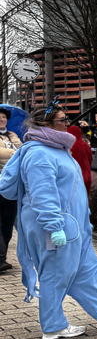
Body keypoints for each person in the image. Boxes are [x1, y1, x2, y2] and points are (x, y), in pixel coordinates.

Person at [0, 106, 97, 339]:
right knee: (56, 273)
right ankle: (53, 326)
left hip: (73, 225)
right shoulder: (39, 153)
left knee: (86, 268)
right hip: (55, 226)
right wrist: (54, 226)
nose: (68, 123)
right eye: (62, 119)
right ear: (46, 125)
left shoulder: (56, 148)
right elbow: (42, 194)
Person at [0, 109, 21, 274]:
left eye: (4, 117)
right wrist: (15, 153)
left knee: (7, 224)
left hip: (12, 185)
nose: (2, 119)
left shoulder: (12, 135)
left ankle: (2, 258)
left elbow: (24, 150)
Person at [66, 122, 92, 192]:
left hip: (73, 178)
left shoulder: (68, 146)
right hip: (86, 176)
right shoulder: (85, 145)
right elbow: (90, 159)